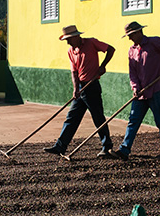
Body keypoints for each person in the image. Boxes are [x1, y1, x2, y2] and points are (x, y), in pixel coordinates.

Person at [111, 21, 160, 161]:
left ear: (138, 32)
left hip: (155, 90)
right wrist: (135, 87)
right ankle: (124, 150)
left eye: (131, 35)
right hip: (140, 94)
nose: (129, 38)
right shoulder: (132, 50)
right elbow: (133, 72)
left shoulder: (155, 43)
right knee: (133, 120)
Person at [43, 25, 116, 157]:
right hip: (82, 88)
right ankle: (60, 146)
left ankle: (107, 147)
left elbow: (111, 49)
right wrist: (76, 89)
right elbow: (74, 72)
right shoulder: (71, 51)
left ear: (76, 36)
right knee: (71, 117)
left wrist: (103, 66)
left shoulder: (91, 43)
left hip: (92, 86)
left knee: (98, 117)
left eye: (69, 39)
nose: (68, 42)